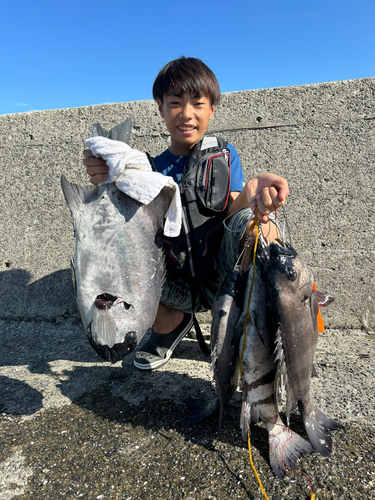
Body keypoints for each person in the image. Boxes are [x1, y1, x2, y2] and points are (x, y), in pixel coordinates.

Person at [83, 56, 289, 371]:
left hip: (224, 279)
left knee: (257, 224)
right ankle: (172, 323)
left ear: (212, 109)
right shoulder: (144, 170)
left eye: (198, 103)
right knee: (121, 275)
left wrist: (251, 197)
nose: (187, 113)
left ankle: (266, 324)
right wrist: (105, 173)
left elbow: (233, 216)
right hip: (171, 283)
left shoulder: (224, 155)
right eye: (176, 102)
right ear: (160, 106)